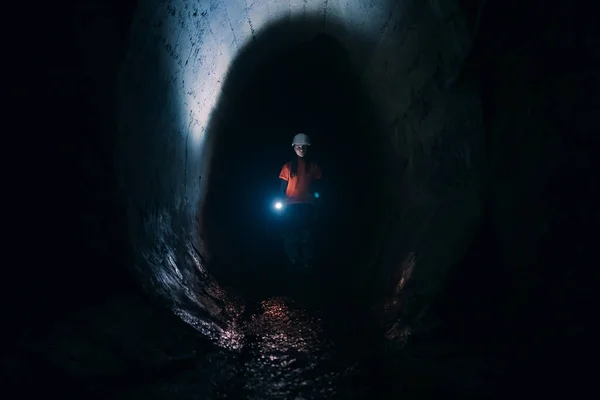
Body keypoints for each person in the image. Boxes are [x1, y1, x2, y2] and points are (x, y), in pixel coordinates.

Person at [278, 133, 322, 269]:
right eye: (298, 147)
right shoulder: (287, 167)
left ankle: (306, 260)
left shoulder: (313, 166)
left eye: (303, 147)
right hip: (290, 205)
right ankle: (293, 258)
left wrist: (317, 201)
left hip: (307, 205)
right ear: (294, 148)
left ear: (307, 148)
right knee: (291, 233)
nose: (301, 149)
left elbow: (318, 186)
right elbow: (282, 187)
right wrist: (281, 203)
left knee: (307, 233)